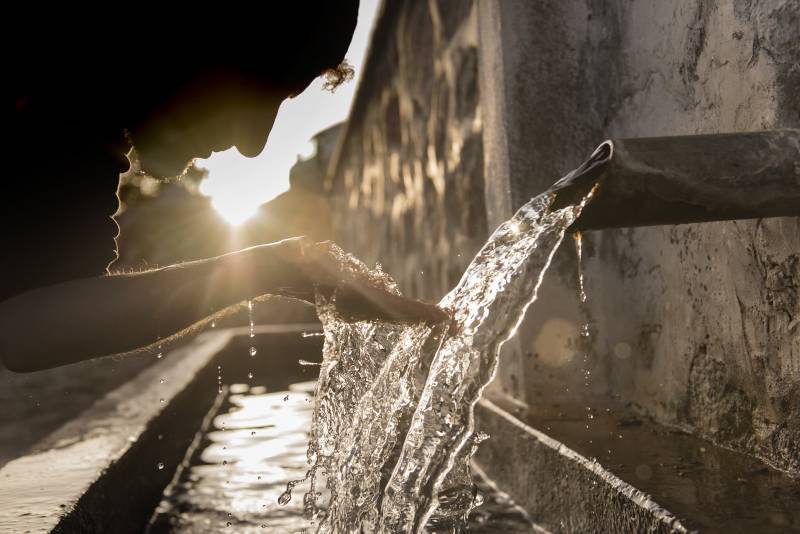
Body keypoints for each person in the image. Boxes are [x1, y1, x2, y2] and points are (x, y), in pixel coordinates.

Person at [2, 2, 446, 373]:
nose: (255, 145)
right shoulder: (47, 92)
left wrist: (275, 269)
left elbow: (27, 323)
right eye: (265, 89)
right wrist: (271, 270)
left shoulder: (74, 117)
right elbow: (21, 331)